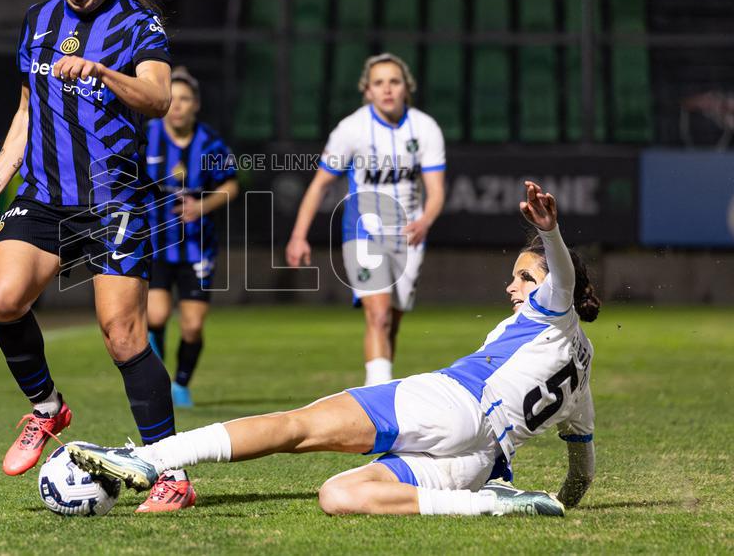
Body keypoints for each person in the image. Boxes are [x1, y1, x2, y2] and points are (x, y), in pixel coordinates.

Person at [69, 182, 600, 518]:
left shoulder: (550, 312)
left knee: (298, 427)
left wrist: (549, 235)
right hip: (483, 463)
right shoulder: (582, 364)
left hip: (452, 405)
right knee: (339, 496)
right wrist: (563, 501)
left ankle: (147, 457)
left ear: (556, 288)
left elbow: (561, 276)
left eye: (525, 278)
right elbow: (583, 469)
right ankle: (490, 506)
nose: (513, 289)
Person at [0, 0, 194, 513]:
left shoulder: (137, 23)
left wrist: (101, 71)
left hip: (113, 199)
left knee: (122, 337)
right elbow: (25, 114)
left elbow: (158, 97)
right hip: (40, 195)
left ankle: (171, 473)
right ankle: (46, 410)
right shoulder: (37, 20)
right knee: (2, 299)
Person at [286, 53, 446, 386]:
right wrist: (299, 235)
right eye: (378, 83)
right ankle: (376, 408)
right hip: (364, 231)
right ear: (368, 90)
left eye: (394, 81)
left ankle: (383, 392)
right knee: (378, 314)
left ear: (406, 88)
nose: (387, 89)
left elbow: (436, 191)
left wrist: (425, 221)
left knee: (392, 322)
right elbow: (319, 186)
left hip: (409, 234)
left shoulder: (426, 128)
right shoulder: (351, 129)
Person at [145, 66, 238, 408]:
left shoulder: (210, 142)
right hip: (155, 243)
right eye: (174, 99)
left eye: (186, 99)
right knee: (154, 317)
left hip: (198, 246)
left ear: (196, 104)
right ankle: (158, 381)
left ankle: (181, 383)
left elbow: (230, 185)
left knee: (192, 327)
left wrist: (201, 207)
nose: (178, 106)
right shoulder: (148, 135)